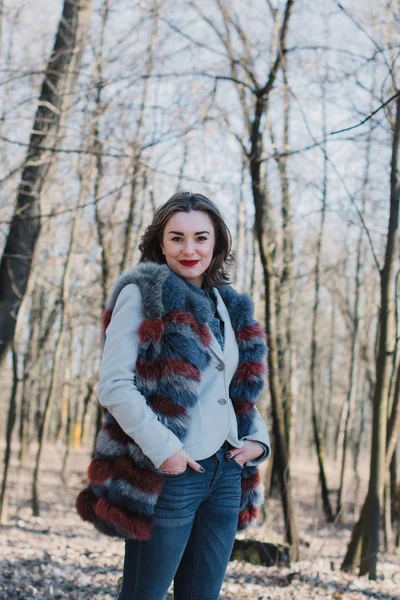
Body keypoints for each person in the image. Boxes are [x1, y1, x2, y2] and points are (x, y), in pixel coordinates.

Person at [76, 191, 271, 600]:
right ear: (160, 243)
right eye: (176, 238)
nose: (189, 249)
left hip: (226, 473)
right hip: (172, 473)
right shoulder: (145, 295)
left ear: (216, 241)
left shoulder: (229, 305)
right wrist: (165, 451)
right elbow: (114, 386)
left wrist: (257, 439)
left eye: (200, 237)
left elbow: (235, 386)